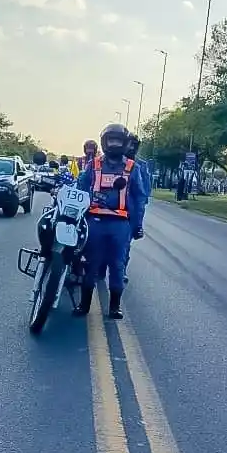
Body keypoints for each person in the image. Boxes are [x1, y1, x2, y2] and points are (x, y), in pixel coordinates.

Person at [74, 123, 146, 320]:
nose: (114, 144)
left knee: (117, 264)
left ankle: (114, 307)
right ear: (104, 142)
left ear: (124, 144)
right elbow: (80, 189)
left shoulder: (132, 168)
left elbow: (140, 198)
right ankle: (84, 304)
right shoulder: (94, 165)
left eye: (118, 141)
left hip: (120, 224)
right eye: (111, 140)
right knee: (91, 263)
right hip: (94, 222)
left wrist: (138, 224)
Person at [122, 132, 151, 283]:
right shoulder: (110, 161)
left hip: (130, 212)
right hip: (108, 208)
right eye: (129, 143)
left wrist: (138, 221)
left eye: (135, 145)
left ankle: (121, 271)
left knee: (125, 245)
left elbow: (144, 194)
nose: (131, 147)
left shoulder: (141, 166)